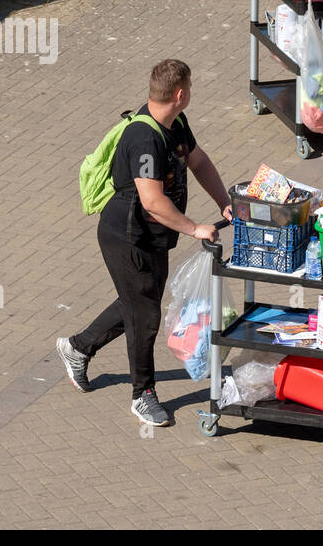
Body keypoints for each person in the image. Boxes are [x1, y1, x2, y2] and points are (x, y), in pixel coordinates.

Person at [57, 59, 236, 427]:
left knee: (141, 301)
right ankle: (143, 394)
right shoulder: (145, 138)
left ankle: (77, 347)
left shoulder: (175, 123)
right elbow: (153, 201)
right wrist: (195, 228)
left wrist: (225, 201)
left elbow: (199, 162)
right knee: (146, 314)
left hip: (153, 234)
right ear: (181, 94)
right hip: (126, 236)